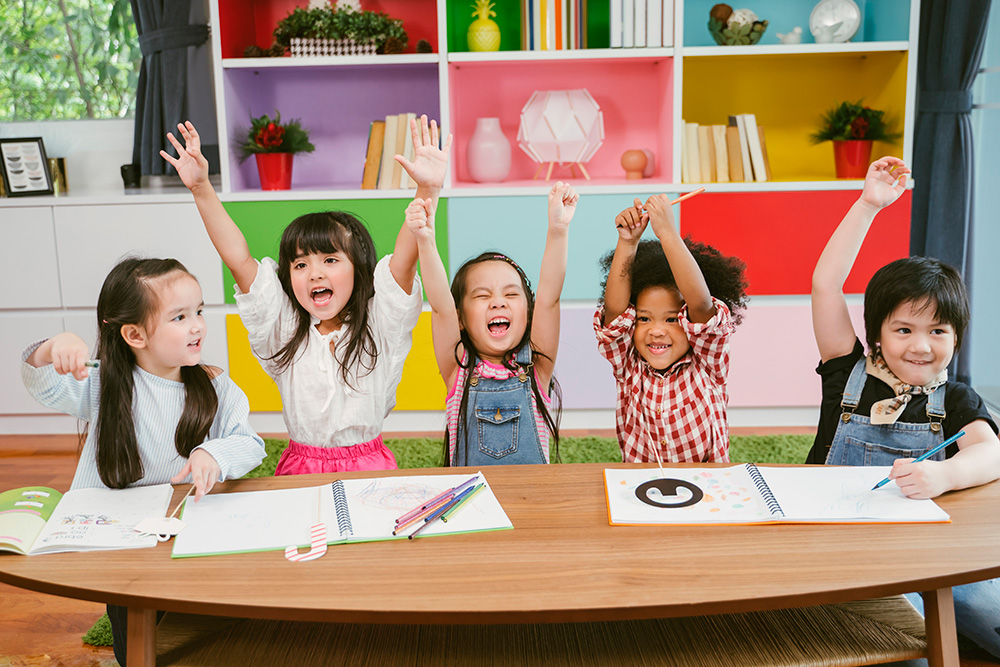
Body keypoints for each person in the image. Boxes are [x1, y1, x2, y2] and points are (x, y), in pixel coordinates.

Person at [161, 116, 451, 474]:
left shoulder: (380, 324)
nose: (314, 272)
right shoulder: (284, 330)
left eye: (330, 259)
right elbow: (238, 258)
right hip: (301, 466)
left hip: (369, 466)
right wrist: (201, 187)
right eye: (300, 264)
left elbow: (405, 263)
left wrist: (427, 190)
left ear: (359, 270)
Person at [21, 256, 266, 666]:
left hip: (188, 525)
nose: (198, 325)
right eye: (180, 317)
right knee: (135, 638)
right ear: (135, 334)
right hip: (118, 539)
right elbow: (43, 384)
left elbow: (250, 443)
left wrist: (214, 452)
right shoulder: (101, 382)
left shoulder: (215, 385)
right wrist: (51, 348)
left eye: (199, 311)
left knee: (202, 625)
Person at [810, 156, 1000, 660]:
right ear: (875, 334)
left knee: (991, 610)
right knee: (911, 642)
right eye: (903, 330)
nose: (921, 346)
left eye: (938, 331)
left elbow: (990, 454)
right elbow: (825, 284)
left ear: (956, 337)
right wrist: (868, 205)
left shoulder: (955, 397)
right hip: (840, 553)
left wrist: (944, 477)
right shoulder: (845, 372)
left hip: (928, 554)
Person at [405, 182, 578, 465]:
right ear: (461, 319)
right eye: (482, 296)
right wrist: (425, 240)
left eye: (511, 294)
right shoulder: (457, 368)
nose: (498, 302)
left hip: (532, 504)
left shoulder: (538, 367)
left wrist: (558, 229)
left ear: (528, 313)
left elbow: (549, 298)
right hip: (473, 503)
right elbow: (440, 308)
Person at [595, 194, 748, 464]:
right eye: (644, 319)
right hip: (642, 484)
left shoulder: (708, 363)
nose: (656, 331)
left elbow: (700, 305)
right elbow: (615, 314)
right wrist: (628, 242)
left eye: (671, 319)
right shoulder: (628, 365)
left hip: (707, 484)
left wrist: (667, 234)